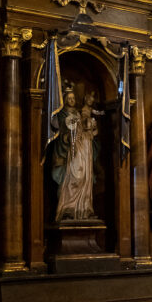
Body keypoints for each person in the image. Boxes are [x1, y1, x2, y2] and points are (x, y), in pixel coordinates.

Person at [52, 87, 100, 221]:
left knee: (85, 177)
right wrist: (68, 135)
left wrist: (91, 127)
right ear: (65, 100)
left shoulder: (79, 113)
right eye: (69, 98)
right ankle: (68, 208)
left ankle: (84, 209)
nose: (72, 101)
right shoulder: (62, 114)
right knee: (74, 177)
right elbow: (62, 132)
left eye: (73, 98)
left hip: (84, 148)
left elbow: (87, 129)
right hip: (72, 150)